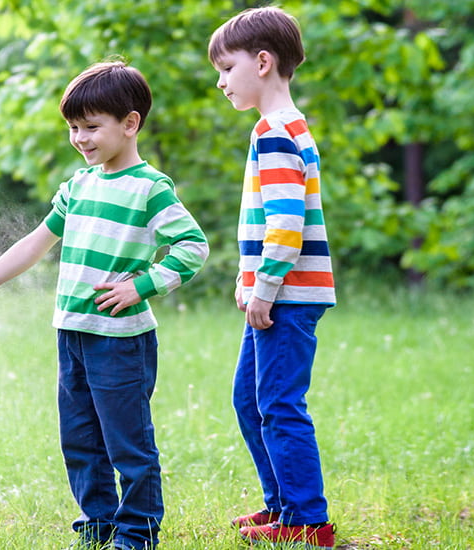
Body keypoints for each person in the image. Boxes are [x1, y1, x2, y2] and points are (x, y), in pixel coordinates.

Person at [0, 61, 209, 550]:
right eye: (73, 127)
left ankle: (136, 534)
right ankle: (98, 526)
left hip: (121, 341)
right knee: (80, 440)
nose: (80, 138)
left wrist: (144, 285)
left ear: (129, 124)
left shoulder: (151, 188)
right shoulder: (79, 186)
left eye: (91, 127)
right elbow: (33, 243)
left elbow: (193, 247)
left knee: (126, 444)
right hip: (72, 332)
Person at [208, 7, 337, 549]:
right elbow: (274, 220)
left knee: (279, 404)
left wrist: (264, 289)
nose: (220, 82)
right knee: (249, 399)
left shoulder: (276, 133)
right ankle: (282, 505)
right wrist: (253, 281)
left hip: (285, 295)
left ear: (263, 63)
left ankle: (309, 521)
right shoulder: (279, 128)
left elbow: (287, 224)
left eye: (226, 68)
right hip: (276, 292)